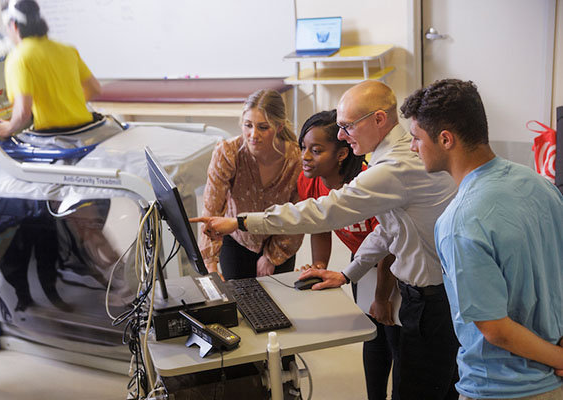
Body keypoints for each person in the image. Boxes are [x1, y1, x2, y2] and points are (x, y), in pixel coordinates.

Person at [194, 80, 460, 400]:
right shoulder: (393, 155)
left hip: (431, 297)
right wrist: (348, 273)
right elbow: (388, 229)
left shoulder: (393, 168)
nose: (342, 135)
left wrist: (240, 221)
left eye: (347, 126)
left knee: (417, 388)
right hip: (434, 290)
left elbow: (324, 213)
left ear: (378, 120)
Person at [402, 79, 563, 400]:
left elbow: (495, 330)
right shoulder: (539, 184)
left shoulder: (459, 221)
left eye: (416, 137)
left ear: (445, 139)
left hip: (503, 388)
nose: (412, 147)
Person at [296, 109, 401, 400]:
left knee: (394, 336)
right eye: (303, 147)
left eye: (316, 150)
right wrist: (319, 265)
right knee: (373, 334)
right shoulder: (311, 179)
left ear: (342, 154)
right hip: (363, 264)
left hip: (395, 265)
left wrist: (381, 297)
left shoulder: (368, 182)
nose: (305, 156)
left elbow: (388, 246)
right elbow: (320, 222)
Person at [195, 89, 303, 280]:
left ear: (278, 127)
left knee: (277, 305)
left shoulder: (296, 159)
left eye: (263, 127)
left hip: (279, 238)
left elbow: (298, 213)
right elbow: (212, 210)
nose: (253, 135)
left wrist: (272, 257)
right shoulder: (228, 153)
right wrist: (210, 262)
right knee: (237, 302)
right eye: (248, 125)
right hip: (237, 239)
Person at [0, 0, 104, 142]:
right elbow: (95, 89)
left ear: (14, 26)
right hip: (87, 131)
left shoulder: (18, 57)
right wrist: (67, 105)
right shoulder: (67, 50)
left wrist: (8, 128)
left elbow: (23, 113)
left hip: (55, 138)